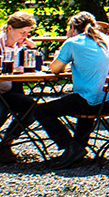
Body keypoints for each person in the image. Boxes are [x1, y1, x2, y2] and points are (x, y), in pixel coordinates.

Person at [38, 13, 109, 168]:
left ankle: (71, 146)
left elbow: (55, 68)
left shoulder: (72, 43)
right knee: (83, 97)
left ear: (72, 28)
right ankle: (78, 147)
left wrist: (62, 51)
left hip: (94, 101)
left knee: (41, 110)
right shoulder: (106, 39)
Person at [0, 11, 73, 162]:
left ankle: (6, 144)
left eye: (27, 33)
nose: (24, 36)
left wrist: (32, 50)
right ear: (9, 29)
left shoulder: (19, 47)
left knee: (32, 107)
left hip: (7, 91)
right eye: (22, 32)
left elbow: (35, 67)